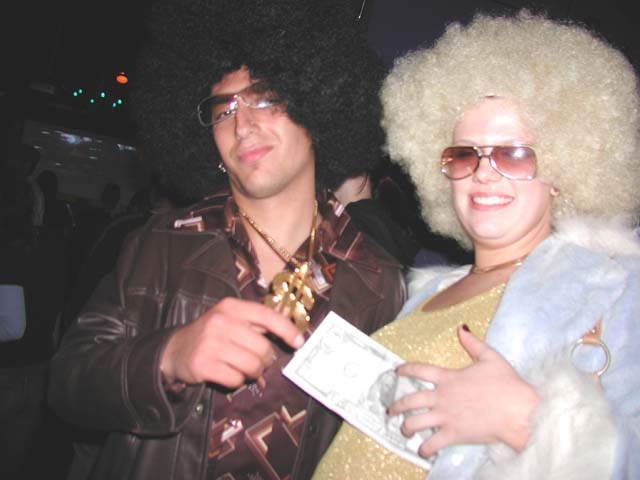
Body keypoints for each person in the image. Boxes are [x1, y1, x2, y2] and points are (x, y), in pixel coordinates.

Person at [48, 1, 405, 479]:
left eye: (266, 99)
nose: (242, 125)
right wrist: (168, 357)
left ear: (317, 107)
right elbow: (66, 385)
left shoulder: (378, 280)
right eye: (223, 109)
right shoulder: (158, 247)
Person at [314, 11, 640, 479]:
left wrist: (523, 421)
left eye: (513, 154)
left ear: (562, 170)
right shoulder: (419, 290)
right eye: (464, 154)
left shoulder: (614, 286)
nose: (484, 172)